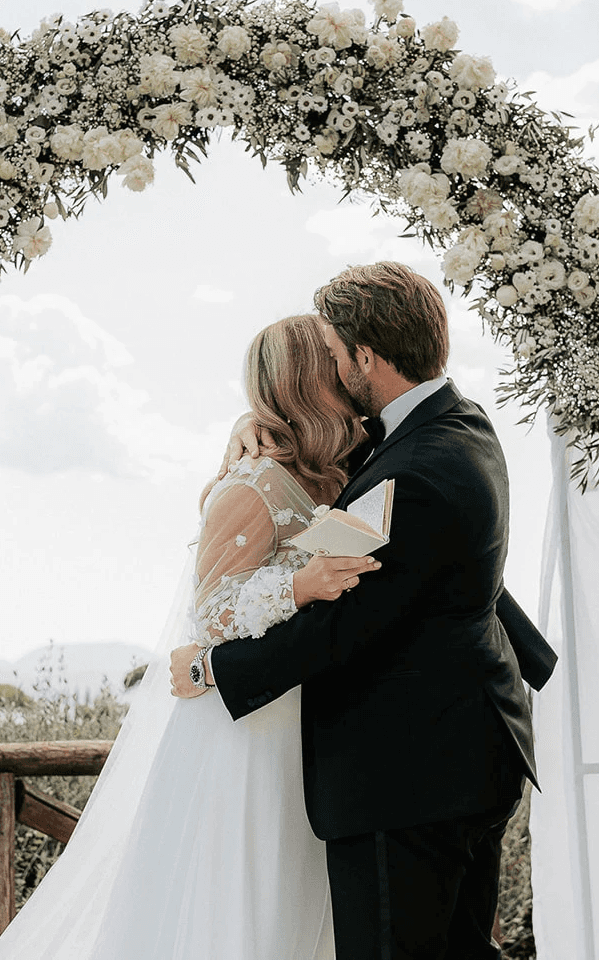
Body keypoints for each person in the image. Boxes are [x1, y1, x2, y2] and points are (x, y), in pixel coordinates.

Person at [171, 262, 556, 960]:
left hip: (407, 776)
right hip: (469, 751)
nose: (331, 366)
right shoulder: (458, 424)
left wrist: (211, 666)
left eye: (334, 351)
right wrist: (258, 422)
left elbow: (342, 623)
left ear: (365, 358)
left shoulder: (406, 474)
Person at [0, 314, 379, 960]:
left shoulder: (329, 469)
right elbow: (213, 612)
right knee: (245, 903)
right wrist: (297, 586)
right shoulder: (249, 484)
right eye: (334, 359)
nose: (350, 368)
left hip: (308, 718)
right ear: (310, 375)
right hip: (248, 733)